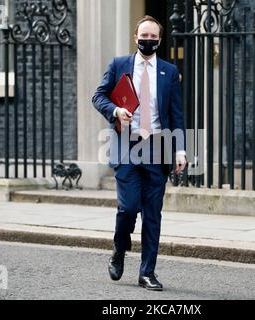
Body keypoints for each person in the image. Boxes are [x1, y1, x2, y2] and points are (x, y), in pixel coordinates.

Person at [92, 15, 187, 291]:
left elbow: (176, 114)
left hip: (157, 147)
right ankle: (120, 249)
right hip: (127, 145)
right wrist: (114, 110)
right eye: (143, 36)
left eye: (153, 37)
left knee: (153, 214)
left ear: (159, 40)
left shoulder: (169, 72)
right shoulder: (119, 64)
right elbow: (98, 96)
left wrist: (179, 149)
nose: (148, 41)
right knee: (129, 207)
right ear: (136, 38)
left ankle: (147, 272)